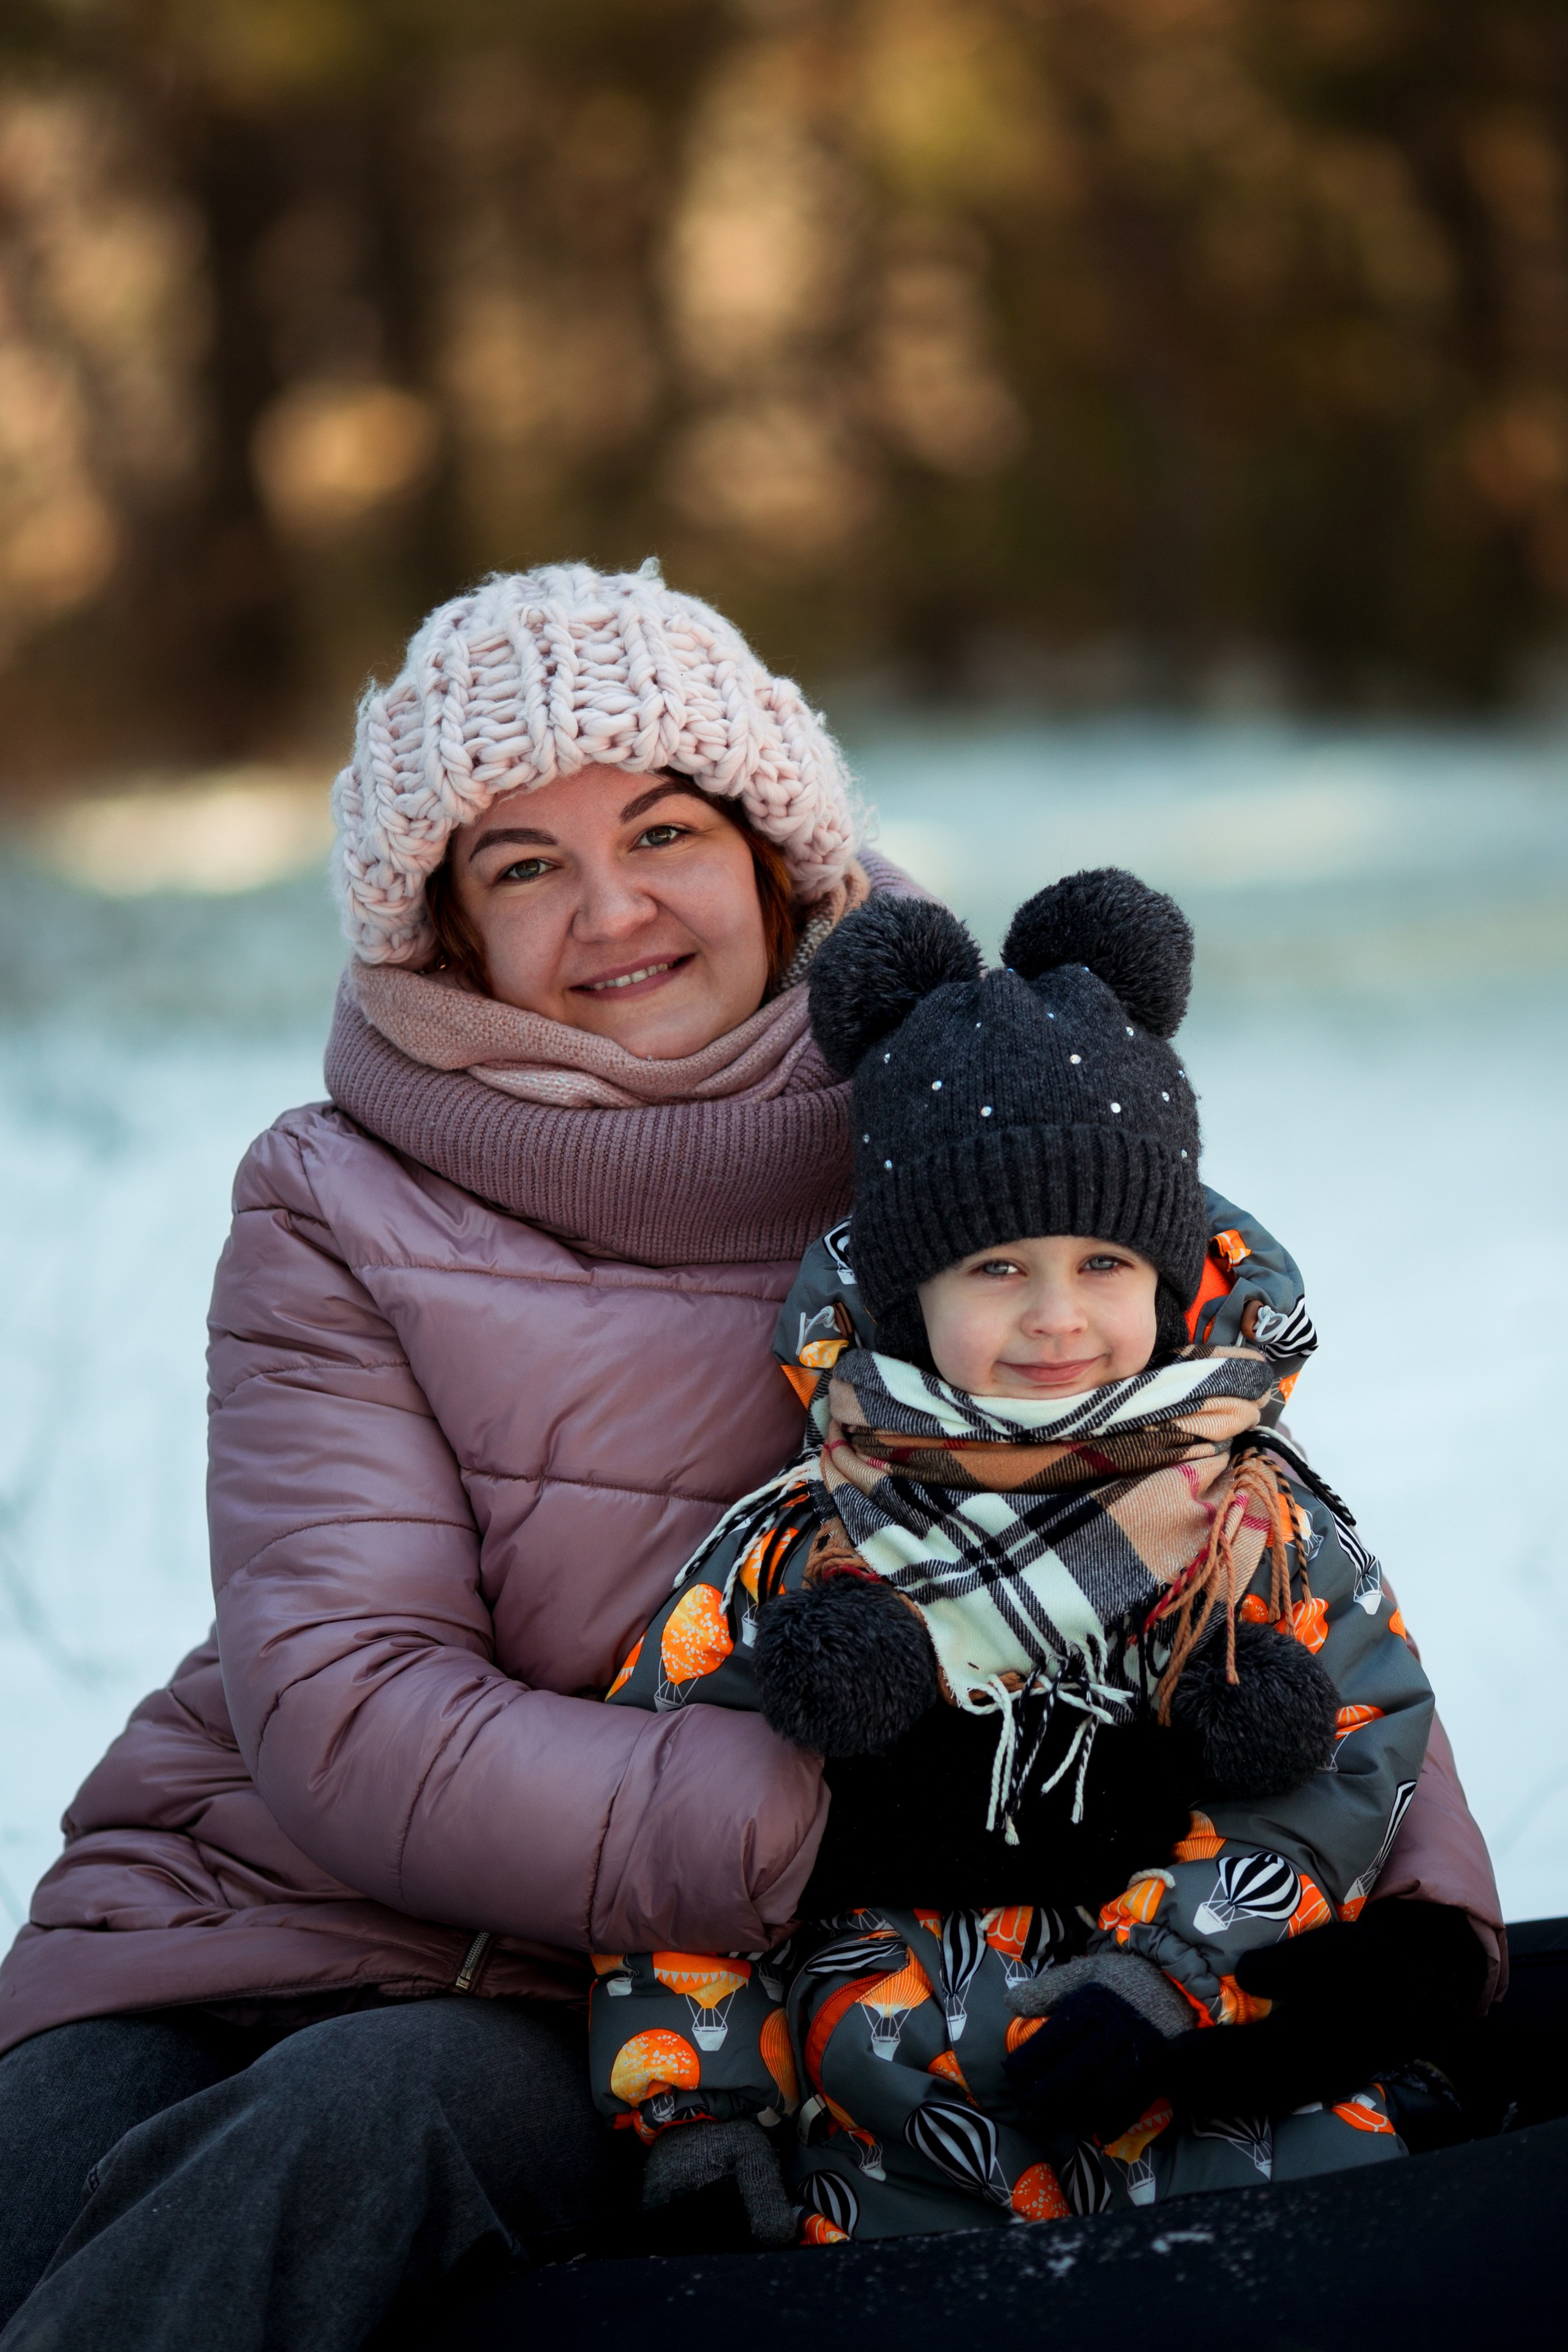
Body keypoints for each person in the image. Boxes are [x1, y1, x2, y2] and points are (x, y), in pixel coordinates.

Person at [0, 564, 1502, 2348]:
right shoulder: (335, 1202)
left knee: (340, 2139)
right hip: (236, 1908)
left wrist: (1422, 1918)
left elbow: (1206, 1483)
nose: (610, 908)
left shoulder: (964, 1129)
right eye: (521, 863)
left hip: (609, 2003)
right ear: (447, 931)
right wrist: (840, 1813)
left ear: (779, 851)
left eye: (662, 832)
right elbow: (344, 1705)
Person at [587, 873, 1439, 2242]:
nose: (1056, 1320)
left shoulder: (1240, 1520)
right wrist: (700, 2113)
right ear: (907, 1291)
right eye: (993, 1270)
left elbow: (1350, 1753)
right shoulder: (804, 1543)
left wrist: (1169, 1973)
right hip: (896, 2152)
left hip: (1212, 2107)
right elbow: (677, 1835)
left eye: (1104, 1263)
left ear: (1162, 1281)